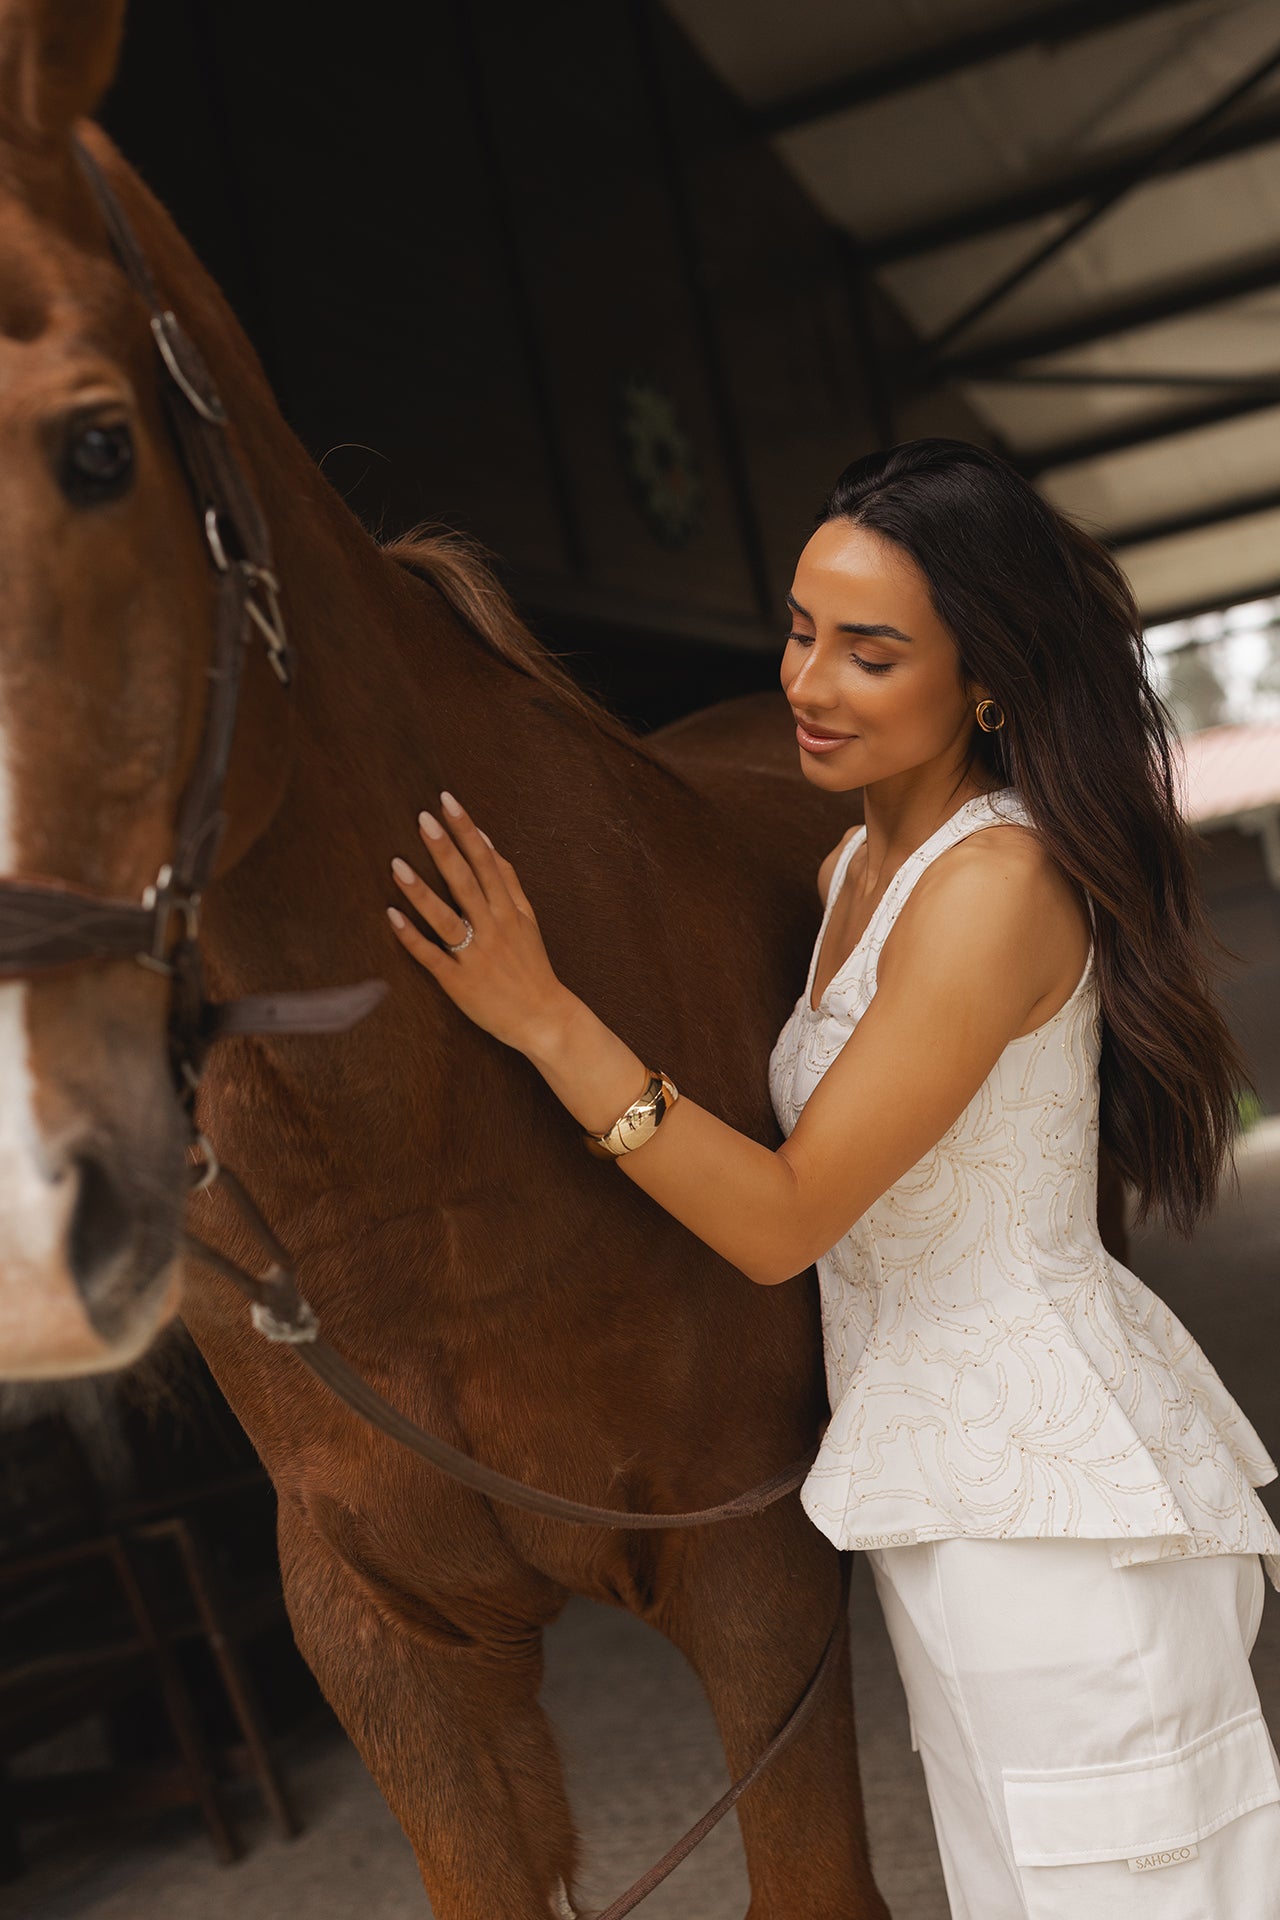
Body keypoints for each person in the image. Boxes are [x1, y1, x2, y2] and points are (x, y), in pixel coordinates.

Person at [383, 436, 1280, 1918]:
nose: (808, 683)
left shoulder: (997, 887)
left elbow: (785, 1217)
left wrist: (545, 1016)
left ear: (982, 679)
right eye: (803, 632)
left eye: (871, 653)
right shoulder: (851, 872)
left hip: (1054, 1513)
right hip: (944, 1495)